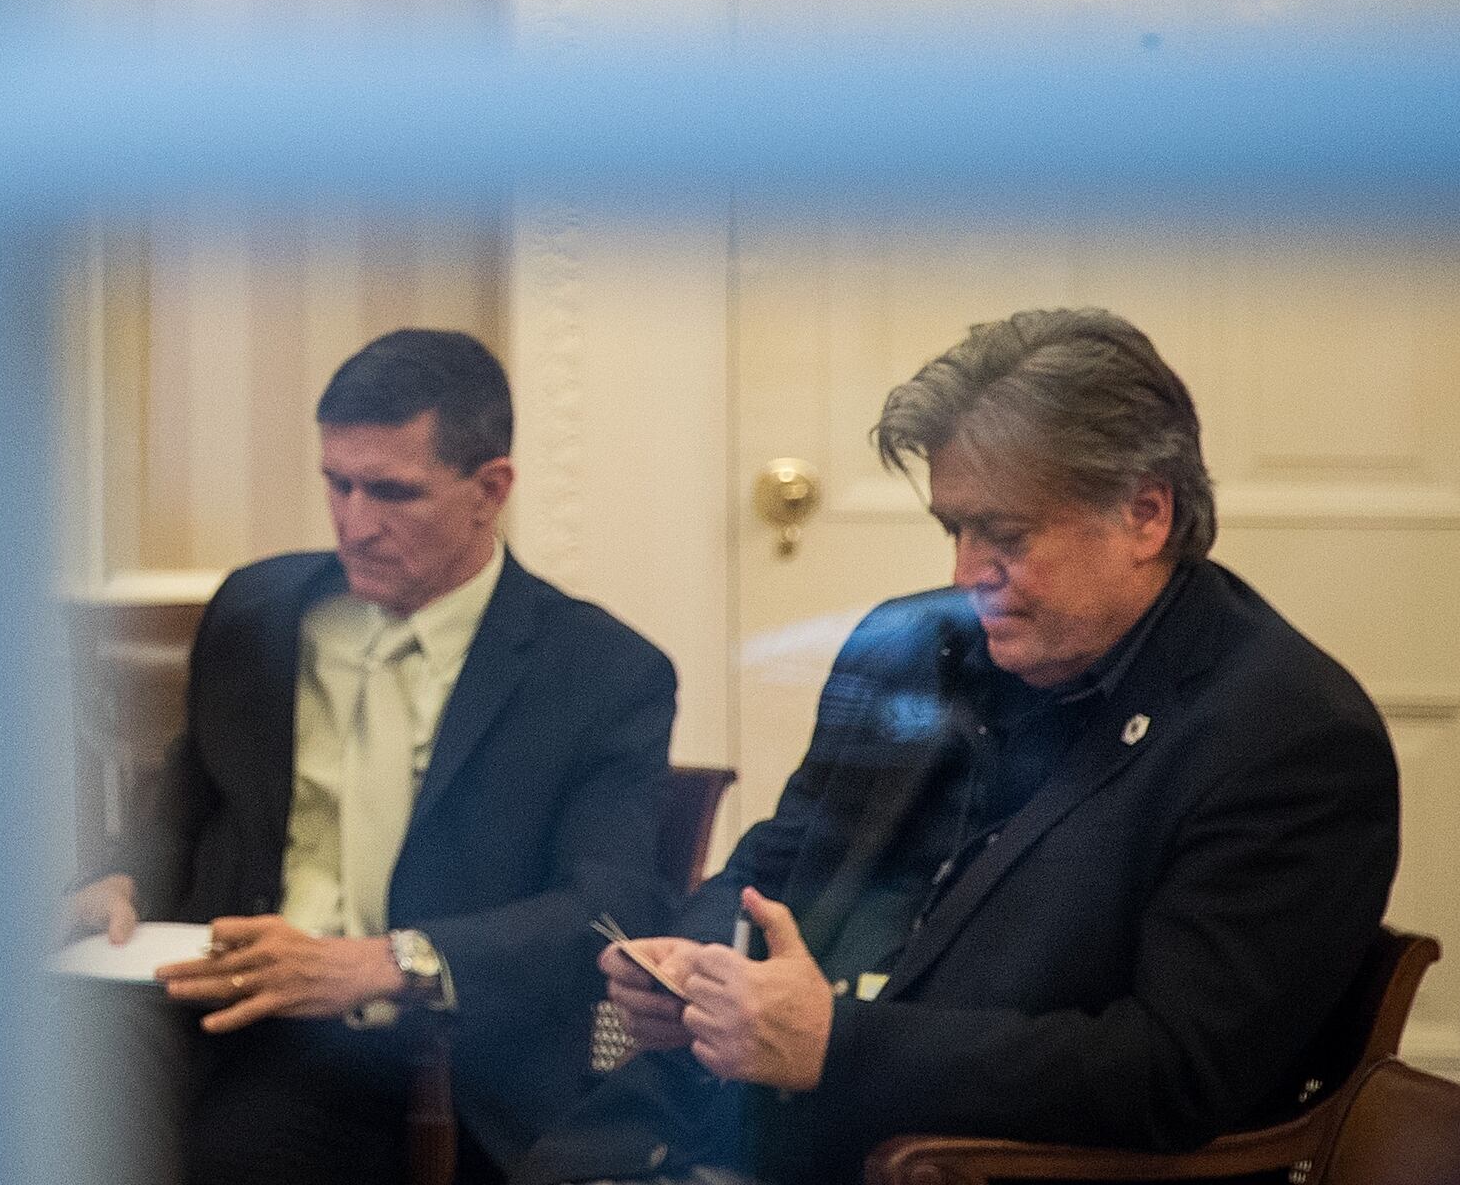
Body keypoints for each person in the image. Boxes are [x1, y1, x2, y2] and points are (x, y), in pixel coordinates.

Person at [517, 308, 1400, 1185]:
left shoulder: (1289, 739)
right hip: (724, 1127)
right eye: (955, 530)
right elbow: (778, 865)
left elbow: (1171, 1072)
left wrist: (836, 1045)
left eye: (1006, 537)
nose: (966, 574)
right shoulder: (911, 649)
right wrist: (692, 967)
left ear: (1145, 515)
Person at [68, 329, 680, 1185]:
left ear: (490, 490)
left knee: (243, 1150)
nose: (355, 525)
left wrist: (390, 961)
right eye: (338, 484)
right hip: (210, 1003)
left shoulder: (597, 672)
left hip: (416, 1046)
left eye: (393, 492)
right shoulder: (256, 611)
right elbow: (186, 810)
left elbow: (607, 908)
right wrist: (120, 880)